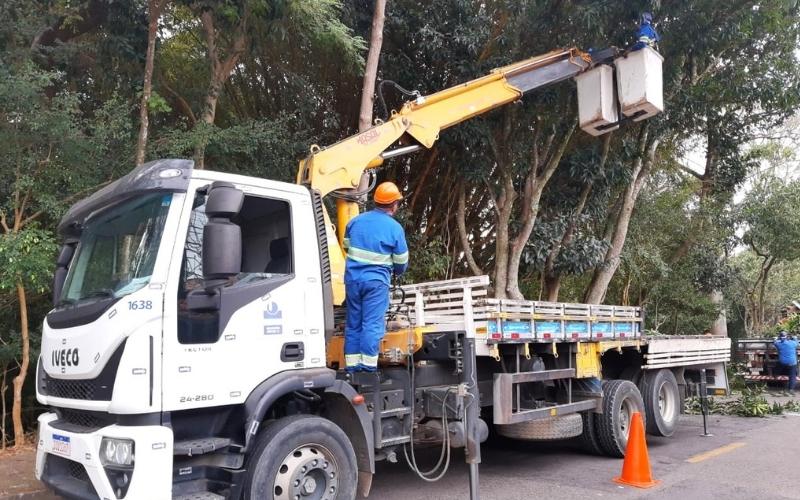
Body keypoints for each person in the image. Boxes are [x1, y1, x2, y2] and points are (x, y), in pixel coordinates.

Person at [343, 182, 409, 372]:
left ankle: (352, 367)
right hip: (376, 283)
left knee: (353, 323)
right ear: (394, 204)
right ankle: (368, 368)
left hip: (353, 280)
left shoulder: (355, 221)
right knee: (371, 324)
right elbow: (401, 261)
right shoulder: (395, 228)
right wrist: (397, 271)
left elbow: (347, 246)